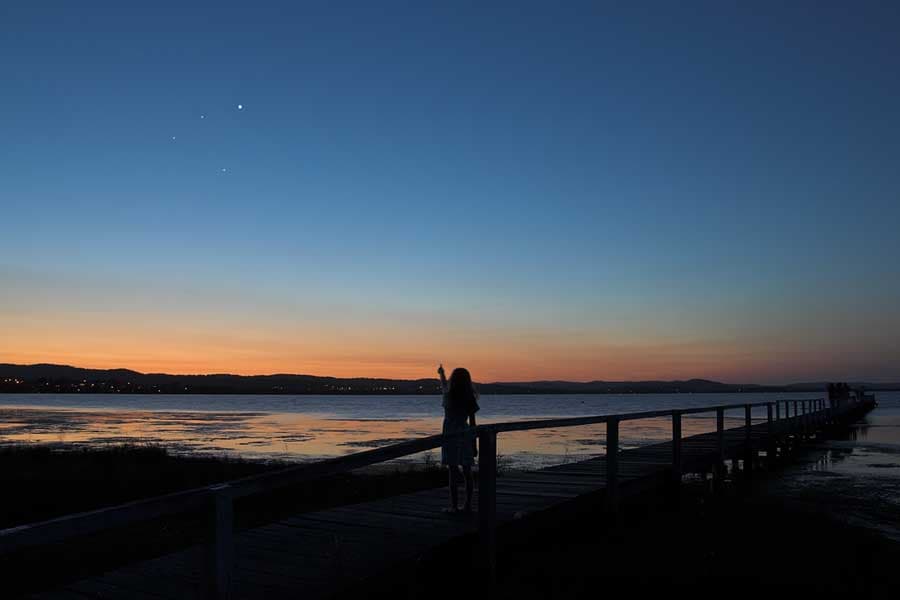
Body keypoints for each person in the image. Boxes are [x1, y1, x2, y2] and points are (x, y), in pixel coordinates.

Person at [437, 364, 479, 513]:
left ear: (453, 380)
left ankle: (454, 506)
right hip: (465, 434)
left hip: (449, 436)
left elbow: (443, 386)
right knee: (467, 471)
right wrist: (474, 444)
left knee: (452, 471)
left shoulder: (448, 395)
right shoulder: (470, 398)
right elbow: (473, 424)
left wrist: (441, 374)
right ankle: (467, 505)